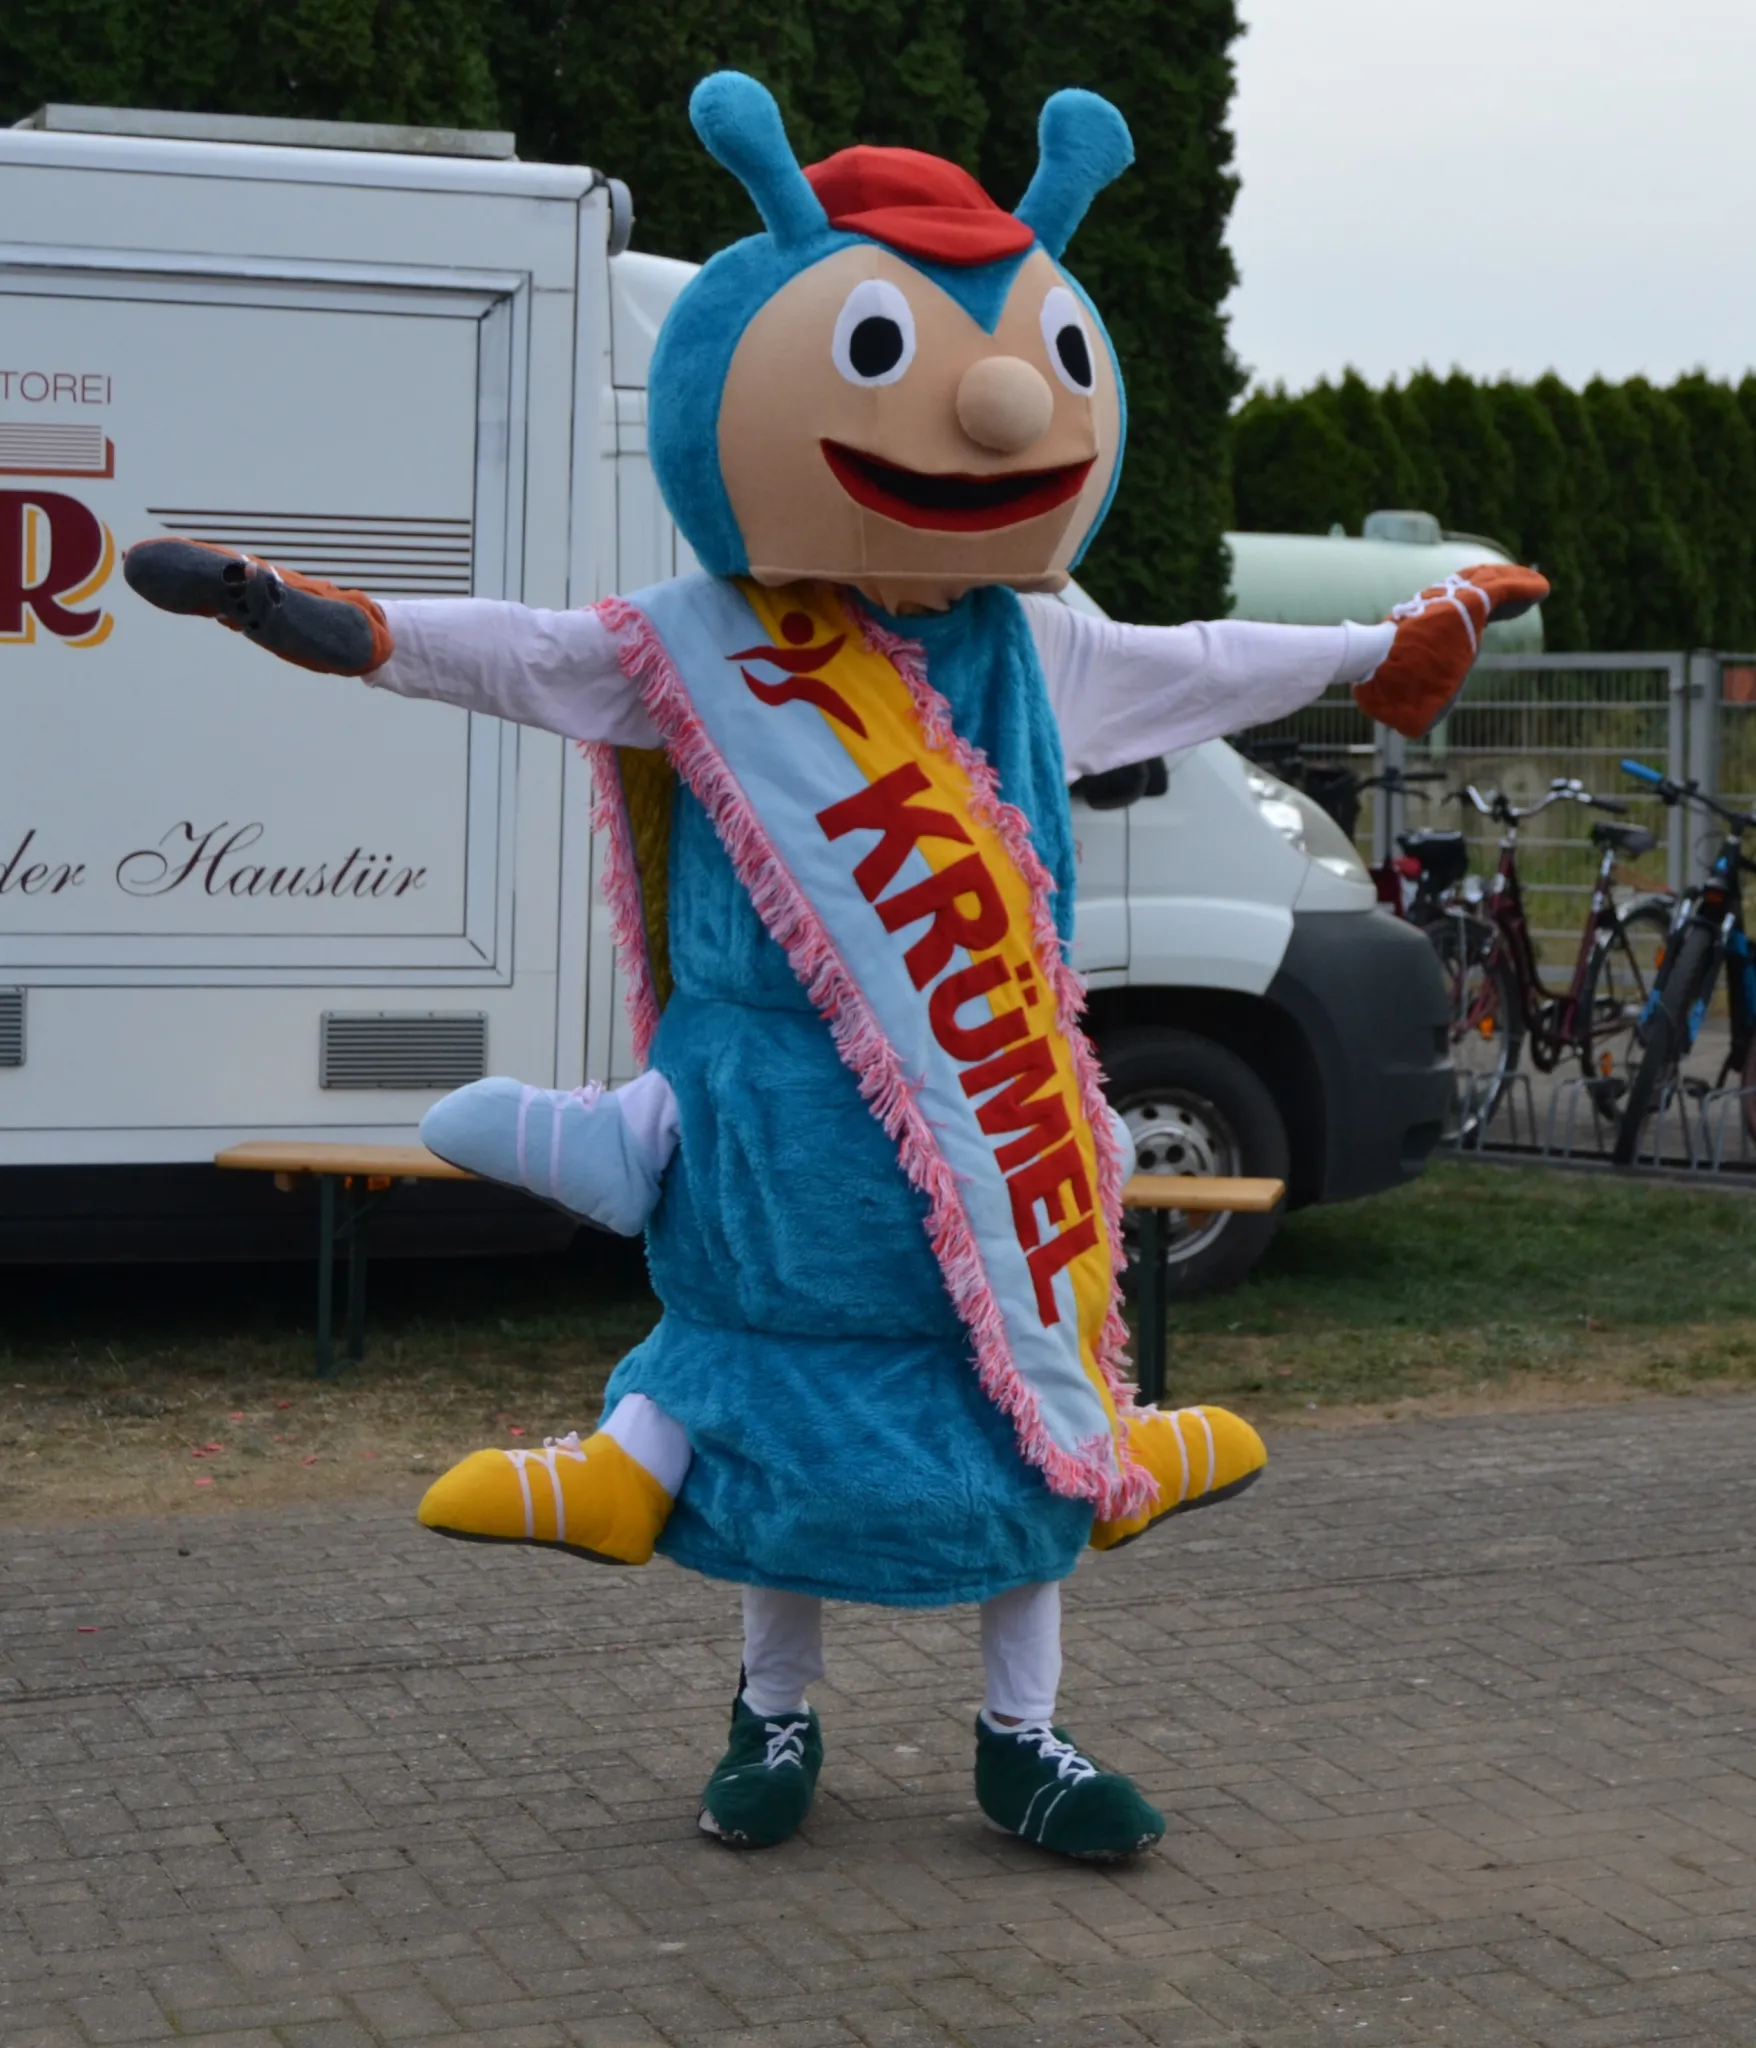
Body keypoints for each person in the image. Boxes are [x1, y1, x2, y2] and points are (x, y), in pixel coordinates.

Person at [125, 71, 1545, 1861]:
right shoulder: (700, 646)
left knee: (1016, 1403)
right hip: (780, 1121)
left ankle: (1023, 1737)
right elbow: (528, 656)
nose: (998, 404)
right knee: (778, 1391)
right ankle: (773, 1715)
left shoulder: (1036, 646)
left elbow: (1200, 662)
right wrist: (338, 624)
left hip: (991, 1103)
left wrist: (1376, 643)